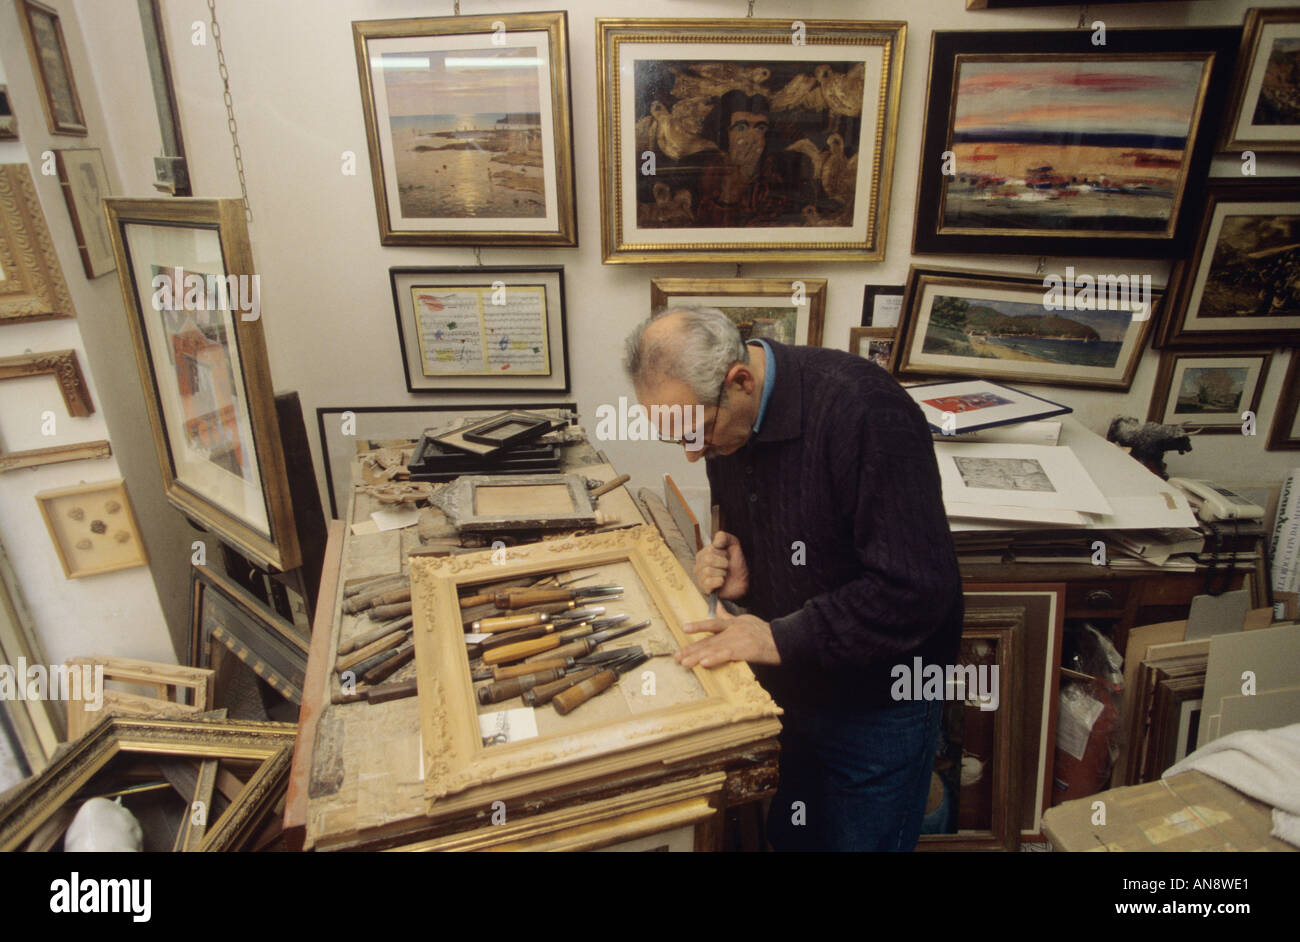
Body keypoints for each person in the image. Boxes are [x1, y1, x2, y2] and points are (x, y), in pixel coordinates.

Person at [622, 306, 964, 852]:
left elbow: (916, 590)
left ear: (740, 381)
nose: (693, 452)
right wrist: (738, 570)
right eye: (677, 438)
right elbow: (756, 520)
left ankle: (929, 797)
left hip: (878, 696)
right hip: (791, 687)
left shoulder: (866, 411)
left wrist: (778, 635)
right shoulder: (725, 425)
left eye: (699, 432)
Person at [692, 90, 815, 228]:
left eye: (760, 128)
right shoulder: (708, 170)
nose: (751, 138)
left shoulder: (776, 172)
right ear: (725, 133)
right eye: (741, 127)